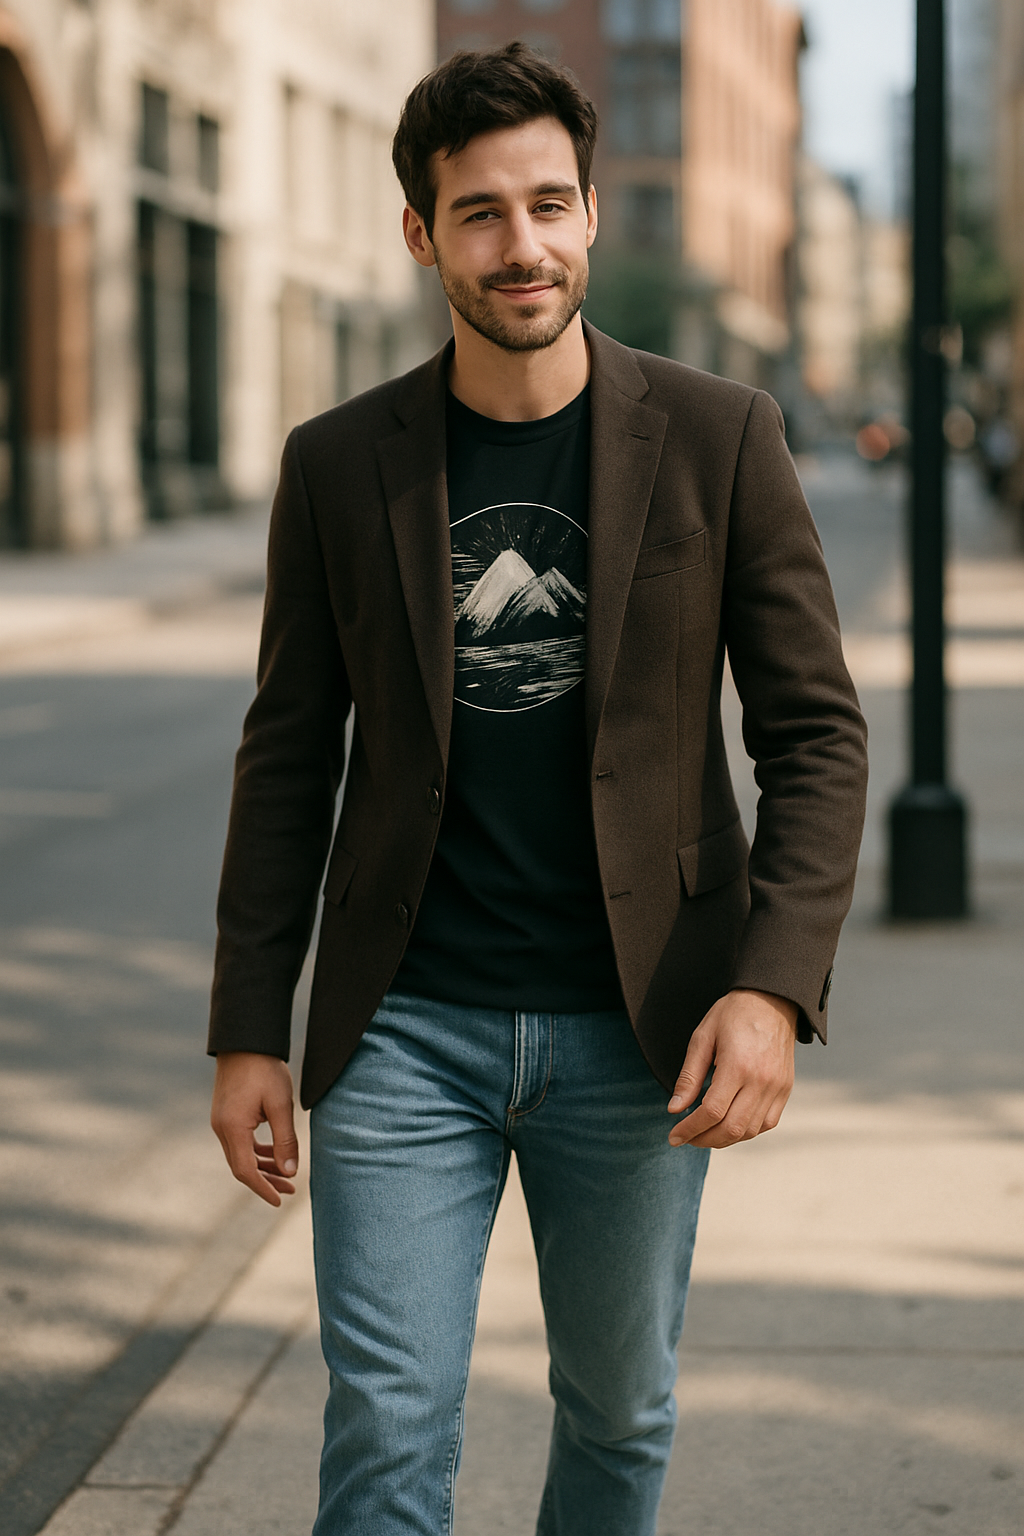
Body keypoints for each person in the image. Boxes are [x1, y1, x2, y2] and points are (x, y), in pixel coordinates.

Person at [209, 41, 868, 1536]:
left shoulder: (720, 436)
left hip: (643, 1030)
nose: (525, 244)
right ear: (422, 234)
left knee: (621, 1413)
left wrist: (772, 989)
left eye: (550, 204)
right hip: (403, 1033)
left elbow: (816, 734)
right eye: (482, 213)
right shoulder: (338, 464)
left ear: (586, 216)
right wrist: (250, 1024)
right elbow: (288, 754)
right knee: (387, 1426)